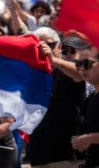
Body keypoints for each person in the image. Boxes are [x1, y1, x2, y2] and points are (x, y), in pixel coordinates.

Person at [29, 27, 86, 168]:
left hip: (67, 155)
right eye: (39, 45)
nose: (44, 49)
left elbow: (80, 74)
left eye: (49, 45)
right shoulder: (32, 73)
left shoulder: (67, 69)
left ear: (59, 46)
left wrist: (53, 60)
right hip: (39, 154)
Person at [71, 46, 99, 168]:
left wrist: (90, 139)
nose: (81, 68)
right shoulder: (90, 99)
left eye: (86, 63)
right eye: (78, 64)